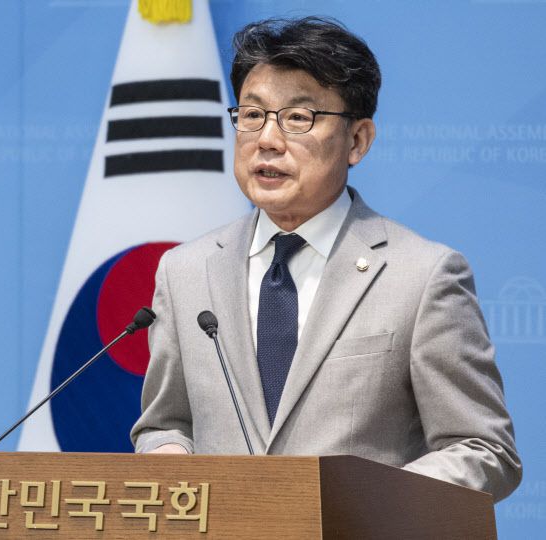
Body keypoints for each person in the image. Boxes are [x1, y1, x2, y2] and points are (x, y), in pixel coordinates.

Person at [130, 17, 521, 502]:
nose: (267, 139)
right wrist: (169, 454)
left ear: (357, 141)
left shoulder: (422, 276)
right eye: (252, 115)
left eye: (298, 118)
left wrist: (363, 504)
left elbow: (485, 450)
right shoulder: (185, 271)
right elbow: (165, 423)